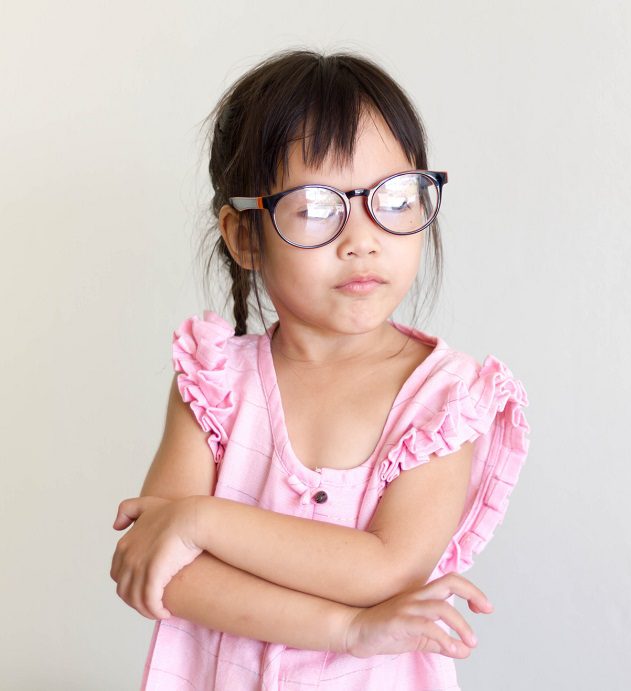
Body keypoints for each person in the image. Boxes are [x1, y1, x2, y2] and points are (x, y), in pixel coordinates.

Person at [109, 48, 531, 690]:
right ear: (246, 235)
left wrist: (199, 520)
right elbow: (159, 570)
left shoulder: (444, 401)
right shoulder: (215, 384)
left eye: (393, 200)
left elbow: (385, 567)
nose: (361, 239)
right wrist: (346, 629)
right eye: (315, 208)